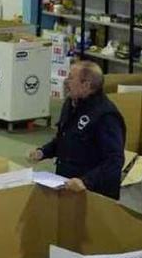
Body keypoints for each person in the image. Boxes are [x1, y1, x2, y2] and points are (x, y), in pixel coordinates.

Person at [28, 61, 126, 200]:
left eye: (71, 78)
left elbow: (114, 160)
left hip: (93, 195)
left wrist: (86, 181)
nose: (66, 82)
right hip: (66, 186)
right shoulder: (71, 104)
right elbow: (64, 138)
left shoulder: (106, 116)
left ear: (86, 85)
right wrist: (43, 152)